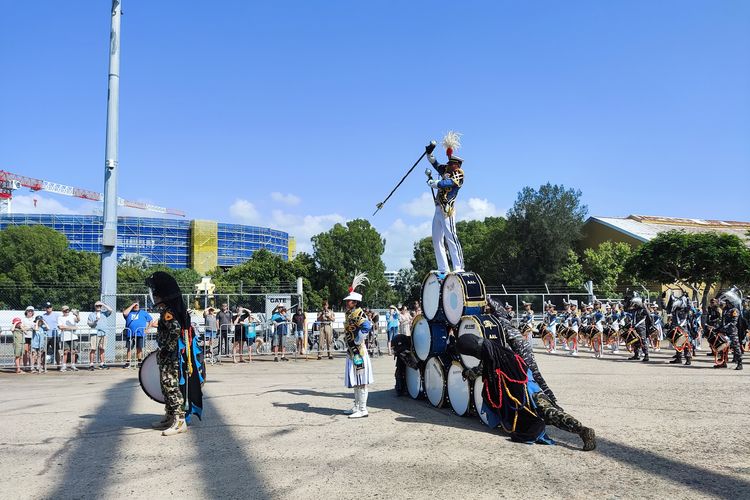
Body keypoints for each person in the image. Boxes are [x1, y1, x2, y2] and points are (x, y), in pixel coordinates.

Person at [456, 333, 596, 451]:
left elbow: (481, 372)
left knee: (550, 413)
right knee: (550, 413)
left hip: (527, 393)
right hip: (531, 388)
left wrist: (468, 373)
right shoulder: (497, 350)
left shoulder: (491, 358)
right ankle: (582, 430)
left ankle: (583, 430)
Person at [145, 271, 204, 436]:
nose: (154, 297)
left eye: (156, 294)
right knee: (166, 386)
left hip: (171, 357)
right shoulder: (168, 310)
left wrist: (167, 348)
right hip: (167, 356)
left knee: (171, 386)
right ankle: (170, 416)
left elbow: (175, 330)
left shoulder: (168, 313)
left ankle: (179, 421)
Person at [426, 131, 465, 275]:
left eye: (451, 163)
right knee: (436, 239)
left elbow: (449, 183)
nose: (448, 165)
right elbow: (435, 163)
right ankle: (443, 267)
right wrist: (429, 153)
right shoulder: (446, 170)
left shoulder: (459, 174)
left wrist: (435, 183)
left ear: (457, 164)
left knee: (451, 237)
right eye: (449, 163)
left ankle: (458, 266)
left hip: (448, 209)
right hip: (438, 208)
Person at [342, 273, 373, 419]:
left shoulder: (358, 314)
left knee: (361, 380)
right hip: (352, 352)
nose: (347, 303)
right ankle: (356, 406)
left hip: (358, 352)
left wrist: (359, 340)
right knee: (356, 380)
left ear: (355, 302)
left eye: (349, 301)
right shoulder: (350, 313)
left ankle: (363, 408)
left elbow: (367, 326)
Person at [716, 287, 742, 370]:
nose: (725, 303)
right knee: (721, 347)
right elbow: (722, 321)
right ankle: (722, 362)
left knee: (736, 348)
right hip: (724, 332)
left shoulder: (734, 310)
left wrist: (724, 328)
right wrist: (719, 328)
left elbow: (733, 323)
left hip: (732, 332)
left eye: (727, 302)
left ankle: (739, 363)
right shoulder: (725, 310)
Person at [122, 302, 155, 368]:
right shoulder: (129, 312)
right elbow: (125, 313)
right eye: (135, 305)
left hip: (140, 333)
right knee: (129, 348)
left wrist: (147, 329)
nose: (136, 306)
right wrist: (132, 305)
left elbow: (151, 320)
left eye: (137, 305)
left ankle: (139, 361)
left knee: (139, 347)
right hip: (130, 333)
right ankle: (128, 362)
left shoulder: (143, 312)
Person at [625, 292, 651, 362]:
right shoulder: (634, 310)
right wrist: (627, 299)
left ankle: (646, 355)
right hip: (634, 327)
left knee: (643, 340)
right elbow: (626, 308)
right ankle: (636, 354)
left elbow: (649, 315)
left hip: (641, 327)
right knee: (634, 341)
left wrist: (643, 304)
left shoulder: (643, 310)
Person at [87, 301, 113, 370]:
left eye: (100, 306)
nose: (99, 307)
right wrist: (95, 321)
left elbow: (110, 310)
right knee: (93, 348)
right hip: (95, 333)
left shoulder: (104, 313)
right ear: (94, 306)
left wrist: (103, 304)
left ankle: (102, 363)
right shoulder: (91, 315)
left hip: (104, 333)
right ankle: (91, 364)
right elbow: (89, 324)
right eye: (97, 305)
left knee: (102, 348)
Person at [58, 306, 80, 372]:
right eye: (65, 310)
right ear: (62, 311)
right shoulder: (60, 317)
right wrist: (72, 327)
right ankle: (64, 366)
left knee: (73, 351)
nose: (66, 311)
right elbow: (60, 327)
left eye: (67, 310)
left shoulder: (72, 316)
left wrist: (77, 314)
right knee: (65, 352)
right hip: (64, 337)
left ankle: (73, 365)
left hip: (73, 336)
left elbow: (78, 320)